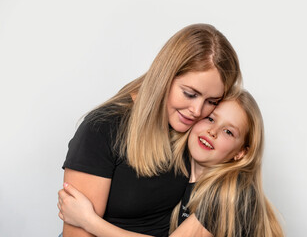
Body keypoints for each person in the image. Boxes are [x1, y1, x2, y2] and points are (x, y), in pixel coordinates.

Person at [60, 23, 241, 237]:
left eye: (211, 101)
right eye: (190, 94)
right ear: (165, 76)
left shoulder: (201, 135)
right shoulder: (102, 128)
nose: (197, 110)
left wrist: (90, 221)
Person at [58, 90, 284, 237]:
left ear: (241, 153)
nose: (212, 132)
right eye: (210, 118)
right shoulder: (184, 173)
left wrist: (88, 221)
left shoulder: (230, 192)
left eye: (228, 131)